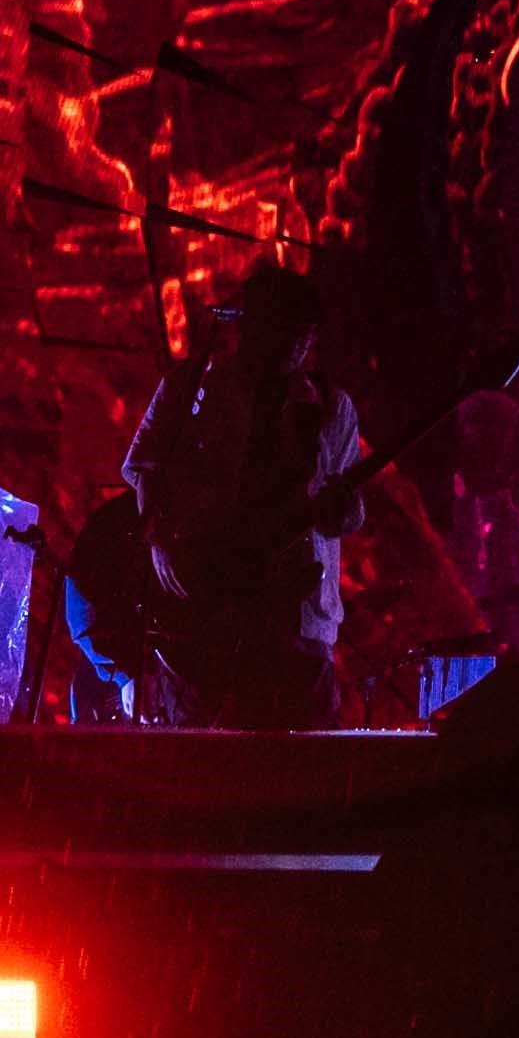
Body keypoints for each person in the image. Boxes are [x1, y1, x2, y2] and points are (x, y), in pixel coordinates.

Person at [123, 258, 369, 726]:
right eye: (284, 327)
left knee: (304, 753)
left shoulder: (331, 407)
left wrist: (342, 510)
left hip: (298, 621)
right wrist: (162, 544)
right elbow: (147, 468)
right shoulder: (191, 388)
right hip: (207, 608)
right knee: (206, 751)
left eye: (305, 332)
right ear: (251, 324)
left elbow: (349, 513)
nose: (297, 342)